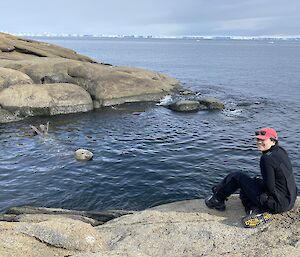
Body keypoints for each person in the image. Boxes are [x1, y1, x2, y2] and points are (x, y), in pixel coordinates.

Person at [205, 127, 298, 228]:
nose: (259, 142)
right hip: (289, 201)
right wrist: (256, 182)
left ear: (273, 141)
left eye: (263, 140)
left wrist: (256, 184)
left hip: (277, 204)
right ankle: (253, 211)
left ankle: (217, 200)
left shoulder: (266, 158)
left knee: (237, 177)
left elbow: (270, 187)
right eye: (258, 139)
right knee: (250, 185)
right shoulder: (281, 151)